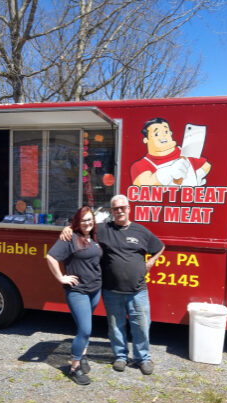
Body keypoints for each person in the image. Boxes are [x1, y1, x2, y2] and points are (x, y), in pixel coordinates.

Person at [61, 195, 165, 375]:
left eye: (122, 208)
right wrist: (67, 228)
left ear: (129, 208)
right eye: (115, 209)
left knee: (141, 325)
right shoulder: (103, 229)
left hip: (138, 290)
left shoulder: (141, 231)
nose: (119, 211)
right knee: (115, 327)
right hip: (111, 290)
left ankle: (143, 359)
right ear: (111, 211)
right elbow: (84, 227)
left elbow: (160, 246)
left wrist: (151, 262)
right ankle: (121, 357)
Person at [46, 206, 102, 385]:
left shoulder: (94, 237)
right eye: (84, 220)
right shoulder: (70, 237)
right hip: (78, 292)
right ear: (78, 222)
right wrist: (61, 277)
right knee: (85, 329)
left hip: (95, 289)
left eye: (90, 219)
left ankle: (82, 356)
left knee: (83, 328)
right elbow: (51, 257)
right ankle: (74, 368)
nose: (88, 223)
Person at [130, 117, 211, 187]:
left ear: (170, 133)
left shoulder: (185, 151)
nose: (163, 135)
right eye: (157, 134)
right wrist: (170, 172)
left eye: (166, 131)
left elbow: (206, 165)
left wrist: (198, 175)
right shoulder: (141, 165)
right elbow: (143, 185)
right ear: (146, 140)